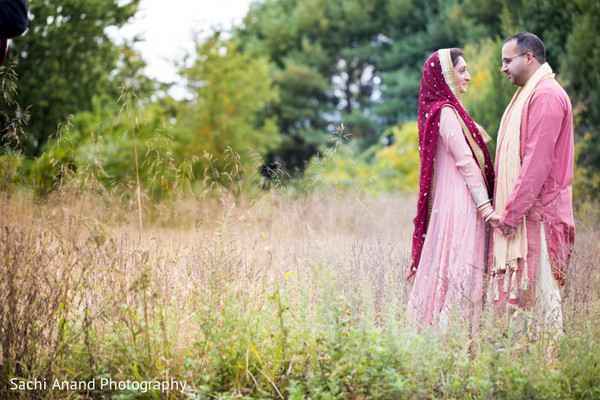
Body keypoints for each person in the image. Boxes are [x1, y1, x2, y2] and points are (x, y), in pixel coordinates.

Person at [406, 48, 499, 329]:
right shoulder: (446, 113)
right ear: (445, 75)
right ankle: (451, 339)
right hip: (464, 205)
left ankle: (455, 339)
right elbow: (467, 163)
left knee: (455, 269)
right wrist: (486, 208)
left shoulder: (445, 112)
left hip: (458, 203)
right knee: (462, 270)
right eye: (461, 71)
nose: (467, 77)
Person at [490, 32, 575, 340]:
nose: (503, 68)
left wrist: (510, 215)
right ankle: (525, 373)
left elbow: (536, 164)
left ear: (529, 58)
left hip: (540, 216)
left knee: (544, 302)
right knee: (525, 307)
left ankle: (551, 377)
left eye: (506, 60)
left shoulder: (546, 96)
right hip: (530, 214)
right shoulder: (530, 93)